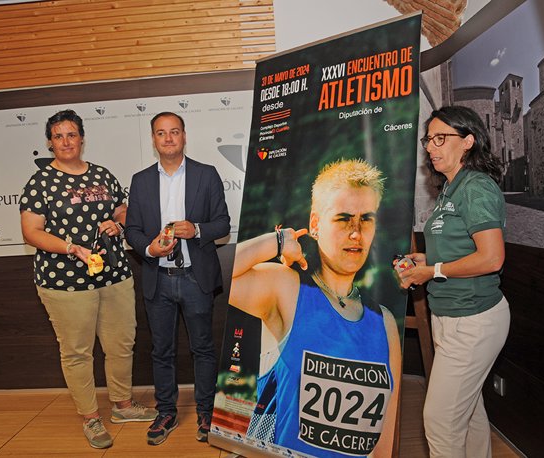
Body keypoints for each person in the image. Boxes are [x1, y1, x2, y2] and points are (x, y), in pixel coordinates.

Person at [229, 159, 402, 458]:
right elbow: (207, 274)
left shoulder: (384, 323)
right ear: (315, 225)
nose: (355, 233)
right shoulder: (286, 287)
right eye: (343, 218)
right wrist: (279, 241)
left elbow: (382, 445)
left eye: (366, 220)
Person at [19, 109, 157, 450]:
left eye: (71, 134)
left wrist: (119, 223)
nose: (66, 141)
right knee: (78, 352)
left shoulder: (102, 175)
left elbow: (121, 208)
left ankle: (123, 406)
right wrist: (71, 248)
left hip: (113, 273)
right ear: (50, 143)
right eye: (58, 136)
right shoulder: (40, 183)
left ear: (82, 138)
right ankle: (90, 417)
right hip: (64, 281)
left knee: (121, 343)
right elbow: (31, 232)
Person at [397, 105, 510, 458]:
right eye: (428, 139)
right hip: (449, 316)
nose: (431, 147)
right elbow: (460, 250)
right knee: (469, 415)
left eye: (441, 138)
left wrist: (433, 271)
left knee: (440, 422)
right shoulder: (450, 188)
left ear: (468, 141)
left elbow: (491, 258)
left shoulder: (476, 187)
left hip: (473, 319)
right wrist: (426, 261)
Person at [125, 111, 230, 446]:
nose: (168, 138)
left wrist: (196, 229)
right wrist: (150, 248)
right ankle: (166, 411)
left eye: (174, 132)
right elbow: (132, 231)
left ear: (184, 136)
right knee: (162, 350)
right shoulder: (140, 180)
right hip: (158, 277)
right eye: (161, 133)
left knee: (203, 348)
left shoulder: (207, 174)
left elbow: (223, 224)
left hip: (195, 278)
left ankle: (206, 411)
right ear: (153, 140)